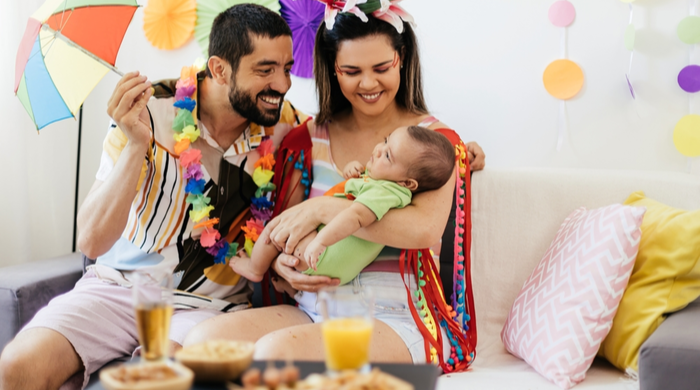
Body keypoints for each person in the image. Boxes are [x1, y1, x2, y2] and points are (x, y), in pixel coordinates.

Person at [0, 5, 306, 390]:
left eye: (287, 68)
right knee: (17, 365)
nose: (283, 84)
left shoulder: (285, 124)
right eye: (265, 70)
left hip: (208, 308)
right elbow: (92, 240)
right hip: (116, 288)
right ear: (220, 69)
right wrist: (135, 146)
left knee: (153, 380)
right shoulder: (146, 111)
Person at [183, 0, 485, 373]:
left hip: (395, 315)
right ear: (333, 70)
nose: (368, 83)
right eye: (351, 70)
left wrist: (327, 208)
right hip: (313, 308)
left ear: (402, 58)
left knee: (274, 354)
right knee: (201, 344)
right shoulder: (305, 139)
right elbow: (283, 231)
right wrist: (282, 265)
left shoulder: (433, 144)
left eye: (381, 67)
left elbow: (424, 230)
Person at [231, 125, 456, 285]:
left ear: (407, 183)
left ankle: (255, 269)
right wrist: (354, 170)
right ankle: (280, 277)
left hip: (324, 253)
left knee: (276, 229)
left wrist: (320, 241)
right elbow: (359, 187)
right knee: (286, 232)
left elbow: (354, 217)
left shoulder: (384, 192)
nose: (378, 149)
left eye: (388, 155)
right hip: (335, 266)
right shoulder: (388, 185)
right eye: (386, 140)